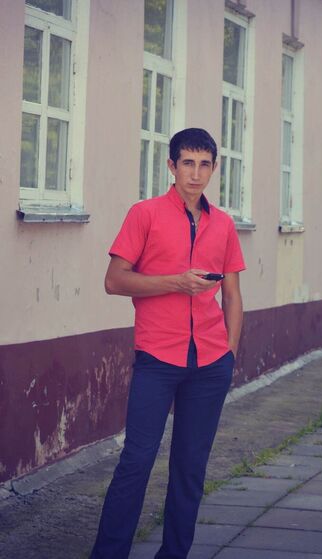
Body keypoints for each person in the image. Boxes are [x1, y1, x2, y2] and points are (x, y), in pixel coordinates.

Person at [90, 128, 245, 559]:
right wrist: (175, 282)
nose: (196, 174)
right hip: (157, 358)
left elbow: (233, 295)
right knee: (136, 461)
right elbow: (114, 280)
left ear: (214, 168)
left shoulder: (224, 224)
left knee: (190, 468)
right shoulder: (145, 214)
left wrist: (229, 354)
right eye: (187, 163)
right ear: (171, 166)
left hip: (210, 363)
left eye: (204, 164)